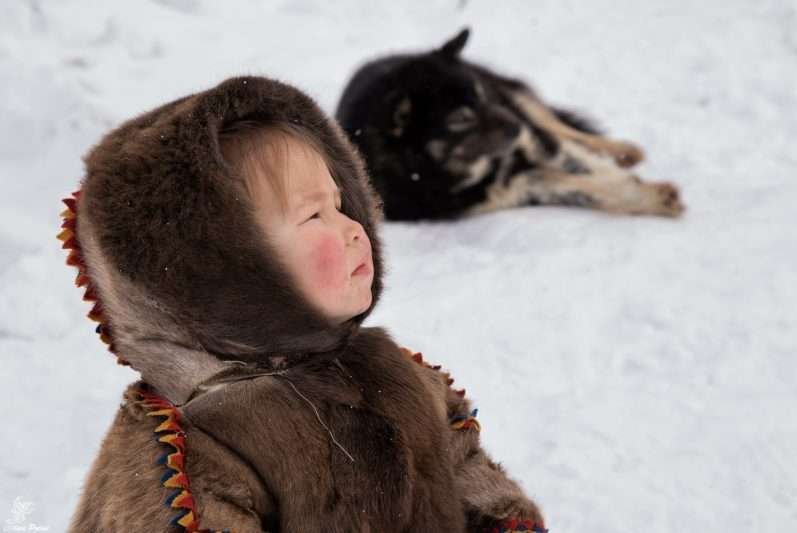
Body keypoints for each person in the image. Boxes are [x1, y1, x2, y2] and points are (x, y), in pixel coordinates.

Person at [61, 75, 546, 532]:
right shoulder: (189, 445)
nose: (355, 228)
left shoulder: (396, 376)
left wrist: (504, 521)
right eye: (315, 214)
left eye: (341, 204)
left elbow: (462, 467)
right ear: (221, 268)